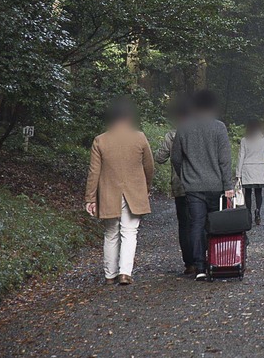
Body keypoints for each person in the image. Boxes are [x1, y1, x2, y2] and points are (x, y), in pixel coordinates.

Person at [83, 98, 154, 286]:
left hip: (108, 194)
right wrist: (146, 187)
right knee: (130, 232)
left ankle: (109, 274)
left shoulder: (100, 140)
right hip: (134, 193)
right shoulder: (139, 138)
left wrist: (90, 197)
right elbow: (149, 167)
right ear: (129, 117)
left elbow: (94, 172)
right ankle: (125, 272)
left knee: (111, 233)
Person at [172, 89, 234, 282]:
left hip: (193, 186)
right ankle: (216, 261)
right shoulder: (219, 127)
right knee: (215, 225)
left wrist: (185, 175)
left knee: (196, 225)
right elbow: (225, 160)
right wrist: (228, 185)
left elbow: (175, 157)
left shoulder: (184, 127)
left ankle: (199, 266)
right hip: (216, 185)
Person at [153, 97, 195, 275]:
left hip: (179, 185)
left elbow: (159, 158)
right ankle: (202, 258)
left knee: (184, 224)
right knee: (200, 221)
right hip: (200, 184)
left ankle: (189, 263)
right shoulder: (198, 132)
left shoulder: (171, 135)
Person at [236, 118, 264, 225]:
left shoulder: (244, 140)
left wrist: (238, 174)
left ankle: (249, 214)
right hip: (259, 168)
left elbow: (241, 157)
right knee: (258, 192)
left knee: (248, 193)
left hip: (247, 169)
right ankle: (258, 212)